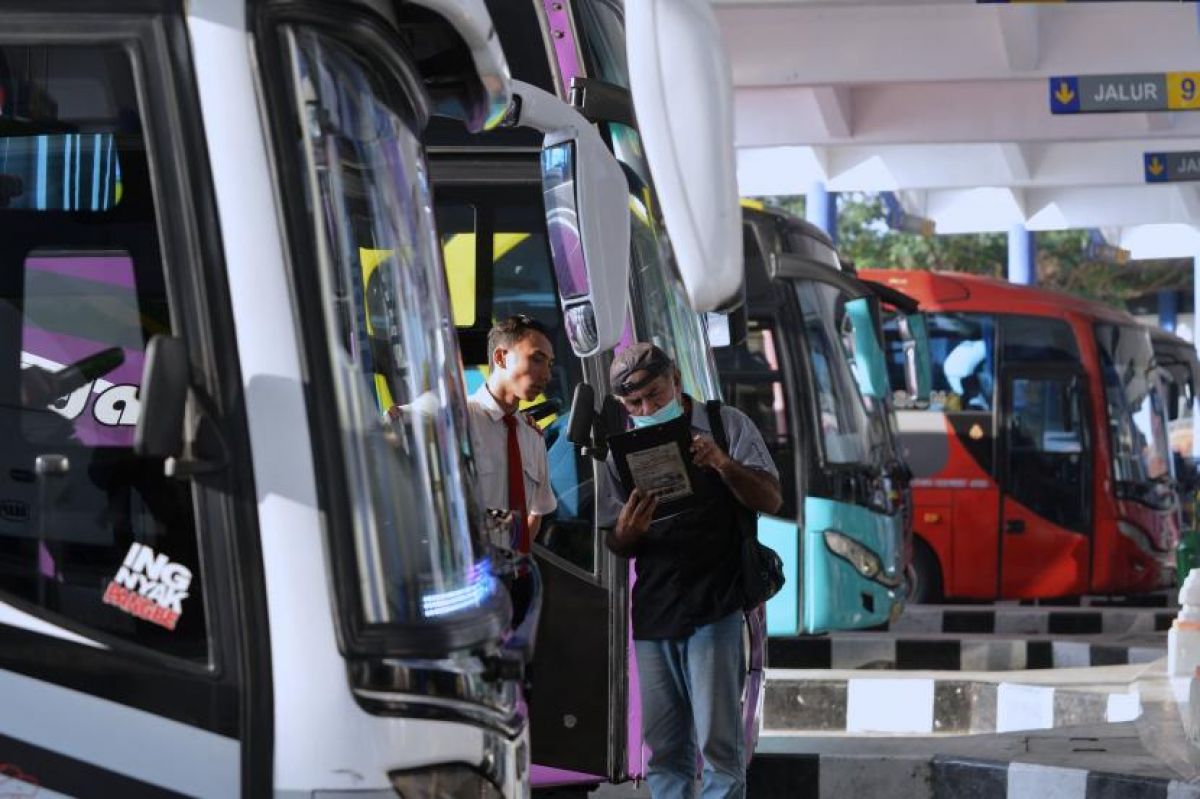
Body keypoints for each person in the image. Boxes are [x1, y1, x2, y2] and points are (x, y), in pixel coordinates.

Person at [601, 343, 782, 799]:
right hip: (655, 610)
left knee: (719, 746)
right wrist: (627, 531)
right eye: (634, 404)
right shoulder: (621, 453)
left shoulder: (726, 424)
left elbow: (770, 498)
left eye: (655, 395)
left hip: (716, 605)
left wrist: (723, 464)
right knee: (664, 750)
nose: (647, 409)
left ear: (676, 380)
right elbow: (615, 543)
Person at [467, 315, 557, 625]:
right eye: (537, 359)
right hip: (470, 584)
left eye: (549, 364)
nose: (547, 374)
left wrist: (515, 558)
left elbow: (536, 511)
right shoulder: (458, 418)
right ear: (501, 357)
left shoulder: (532, 436)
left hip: (515, 584)